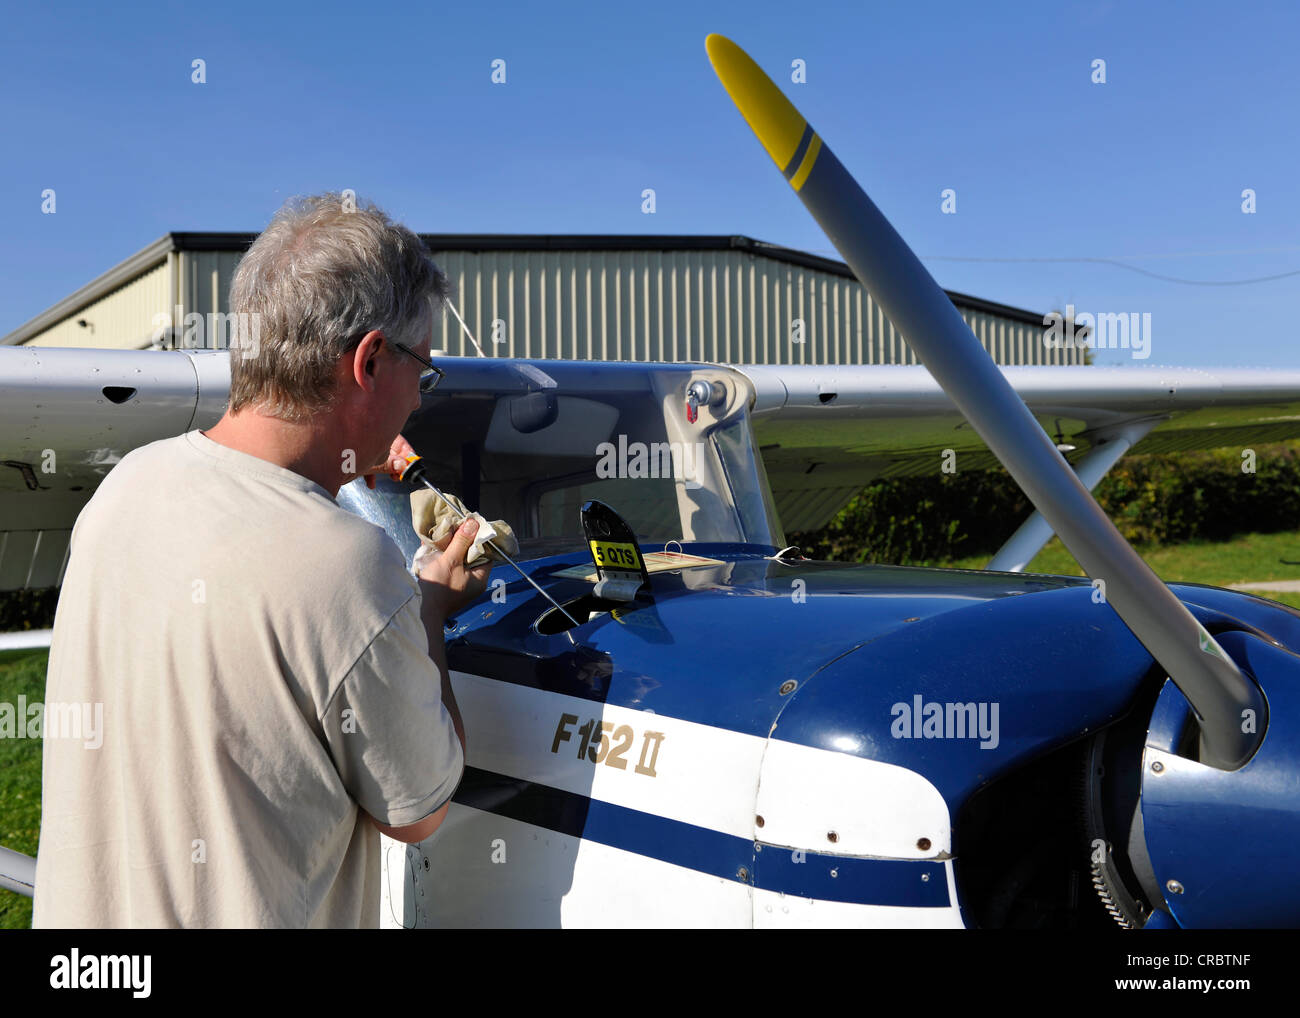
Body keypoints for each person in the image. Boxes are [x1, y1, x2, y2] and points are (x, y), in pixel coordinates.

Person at [33, 193, 489, 928]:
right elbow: (419, 810)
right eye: (422, 373)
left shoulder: (124, 488)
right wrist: (428, 609)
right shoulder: (349, 564)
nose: (418, 401)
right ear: (371, 361)